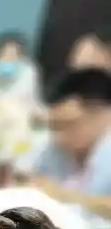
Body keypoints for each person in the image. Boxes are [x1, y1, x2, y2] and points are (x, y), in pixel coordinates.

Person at [30, 68, 111, 219]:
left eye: (67, 125)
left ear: (103, 116)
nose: (58, 137)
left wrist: (64, 196)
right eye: (54, 126)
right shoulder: (52, 150)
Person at [0, 32, 42, 117]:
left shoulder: (29, 73)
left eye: (13, 54)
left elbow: (34, 101)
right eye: (5, 54)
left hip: (23, 117)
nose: (8, 57)